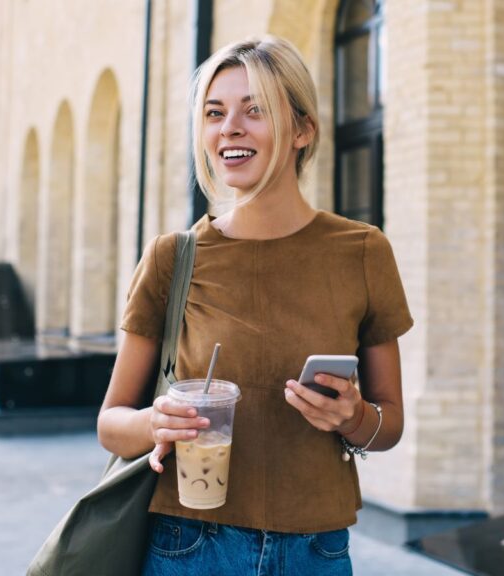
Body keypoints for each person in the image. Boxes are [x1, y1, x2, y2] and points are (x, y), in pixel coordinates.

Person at [97, 35, 413, 576]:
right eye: (214, 113)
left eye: (255, 110)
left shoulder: (363, 252)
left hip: (316, 548)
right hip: (189, 543)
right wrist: (157, 422)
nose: (230, 129)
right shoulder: (173, 257)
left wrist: (353, 416)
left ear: (302, 129)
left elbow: (390, 424)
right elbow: (111, 422)